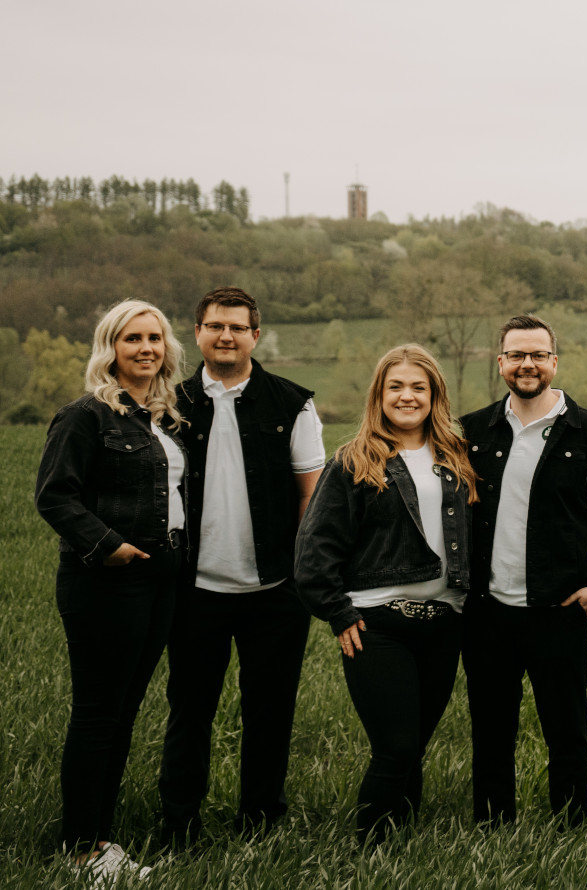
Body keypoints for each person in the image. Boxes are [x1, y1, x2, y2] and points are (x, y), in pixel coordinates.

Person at [158, 287, 325, 846]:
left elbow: (311, 495)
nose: (224, 336)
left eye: (236, 327)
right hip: (194, 589)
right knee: (189, 711)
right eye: (213, 326)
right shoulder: (169, 402)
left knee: (270, 714)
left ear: (256, 334)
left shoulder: (293, 402)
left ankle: (260, 825)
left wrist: (303, 573)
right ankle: (179, 824)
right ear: (198, 334)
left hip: (275, 590)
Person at [293, 344, 477, 843]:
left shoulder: (456, 458)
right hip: (378, 624)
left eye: (418, 386)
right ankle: (370, 849)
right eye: (396, 386)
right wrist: (337, 612)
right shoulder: (354, 461)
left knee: (413, 746)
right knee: (394, 746)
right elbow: (314, 551)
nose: (407, 395)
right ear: (380, 394)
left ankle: (401, 844)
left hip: (444, 620)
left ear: (434, 394)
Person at [35, 300, 188, 883]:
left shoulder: (164, 418)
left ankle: (101, 840)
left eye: (154, 338)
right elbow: (54, 496)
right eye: (132, 339)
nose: (146, 348)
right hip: (105, 582)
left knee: (123, 714)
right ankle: (81, 851)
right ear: (110, 348)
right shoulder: (85, 417)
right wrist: (111, 546)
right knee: (99, 714)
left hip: (159, 580)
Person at [459, 315, 587, 826]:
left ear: (554, 361)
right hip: (488, 609)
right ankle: (491, 822)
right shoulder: (471, 430)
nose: (527, 364)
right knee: (490, 726)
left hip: (559, 606)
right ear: (501, 361)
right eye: (516, 355)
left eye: (538, 355)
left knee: (566, 727)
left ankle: (571, 824)